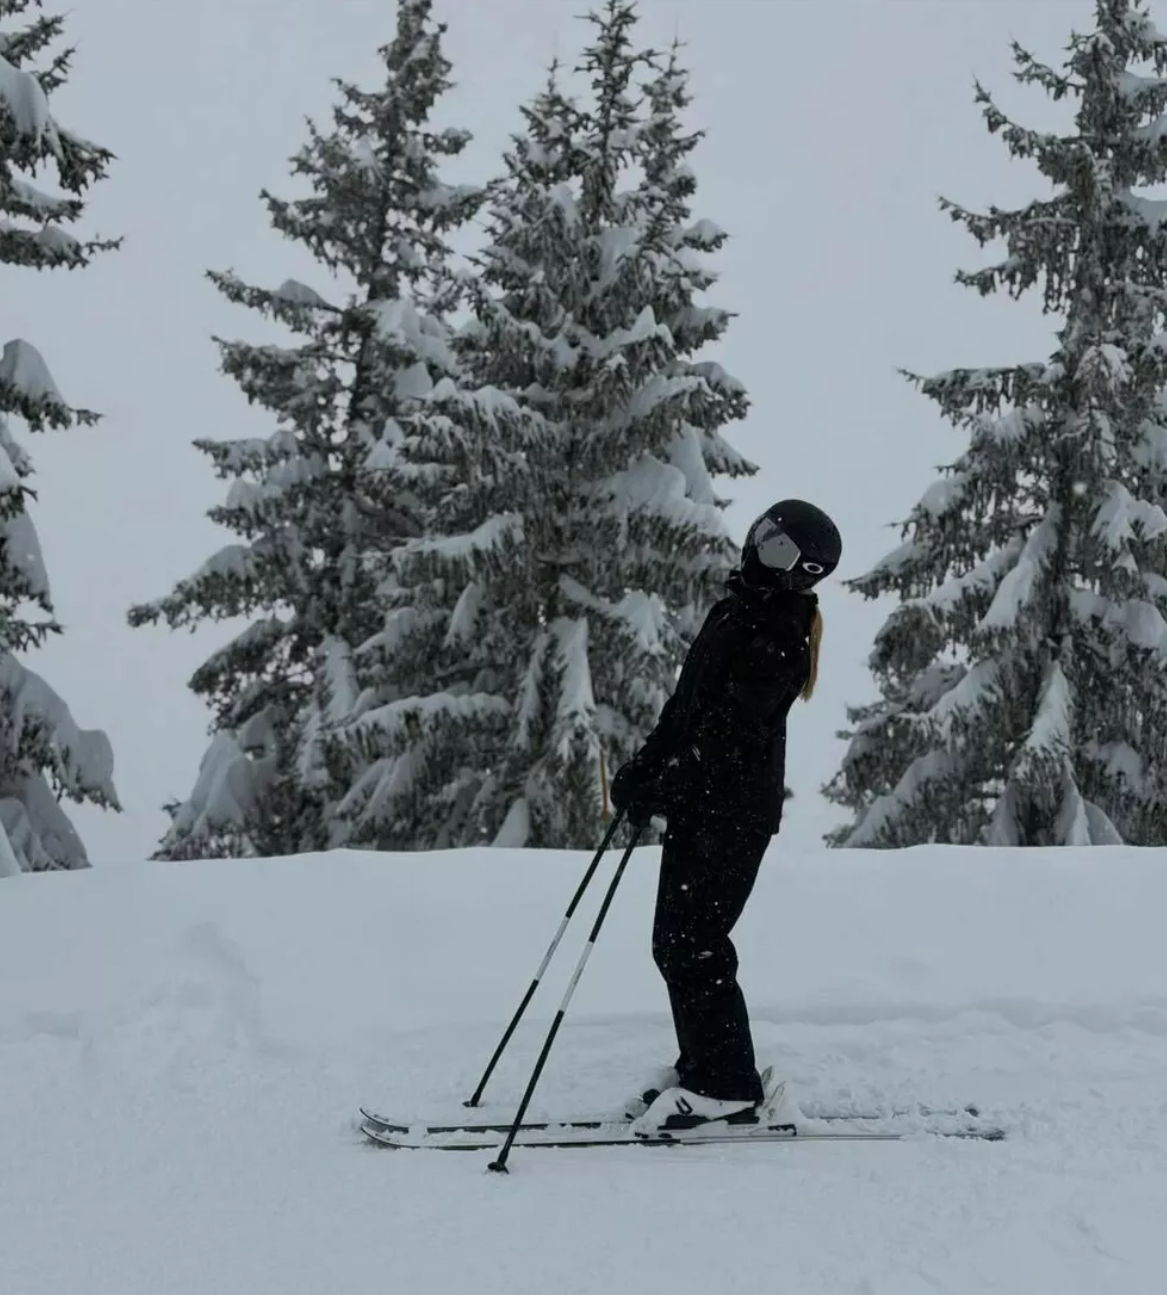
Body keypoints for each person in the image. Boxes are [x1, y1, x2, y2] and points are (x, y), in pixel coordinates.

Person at [610, 499, 841, 1132]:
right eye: (764, 535)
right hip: (704, 805)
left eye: (778, 547)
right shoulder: (736, 611)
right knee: (675, 942)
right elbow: (687, 707)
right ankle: (703, 1066)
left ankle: (726, 1085)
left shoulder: (781, 636)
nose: (760, 549)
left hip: (733, 813)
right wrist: (645, 766)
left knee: (696, 942)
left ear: (801, 570)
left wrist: (671, 782)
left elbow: (731, 733)